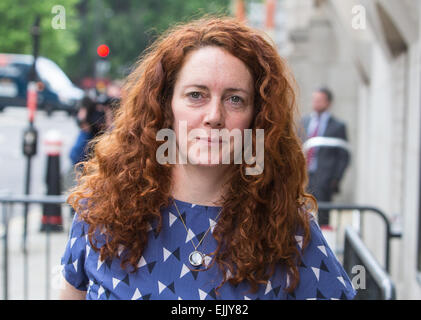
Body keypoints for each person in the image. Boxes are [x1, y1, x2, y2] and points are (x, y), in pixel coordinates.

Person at [60, 17, 356, 300]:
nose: (214, 116)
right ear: (165, 106)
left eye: (235, 99)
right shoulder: (101, 214)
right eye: (196, 95)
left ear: (256, 118)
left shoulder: (288, 232)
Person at [300, 88, 350, 227]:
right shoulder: (303, 121)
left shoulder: (338, 126)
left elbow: (343, 156)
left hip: (324, 178)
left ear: (328, 103)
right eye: (314, 99)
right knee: (301, 211)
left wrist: (335, 179)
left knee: (322, 215)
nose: (316, 103)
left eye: (319, 100)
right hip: (303, 175)